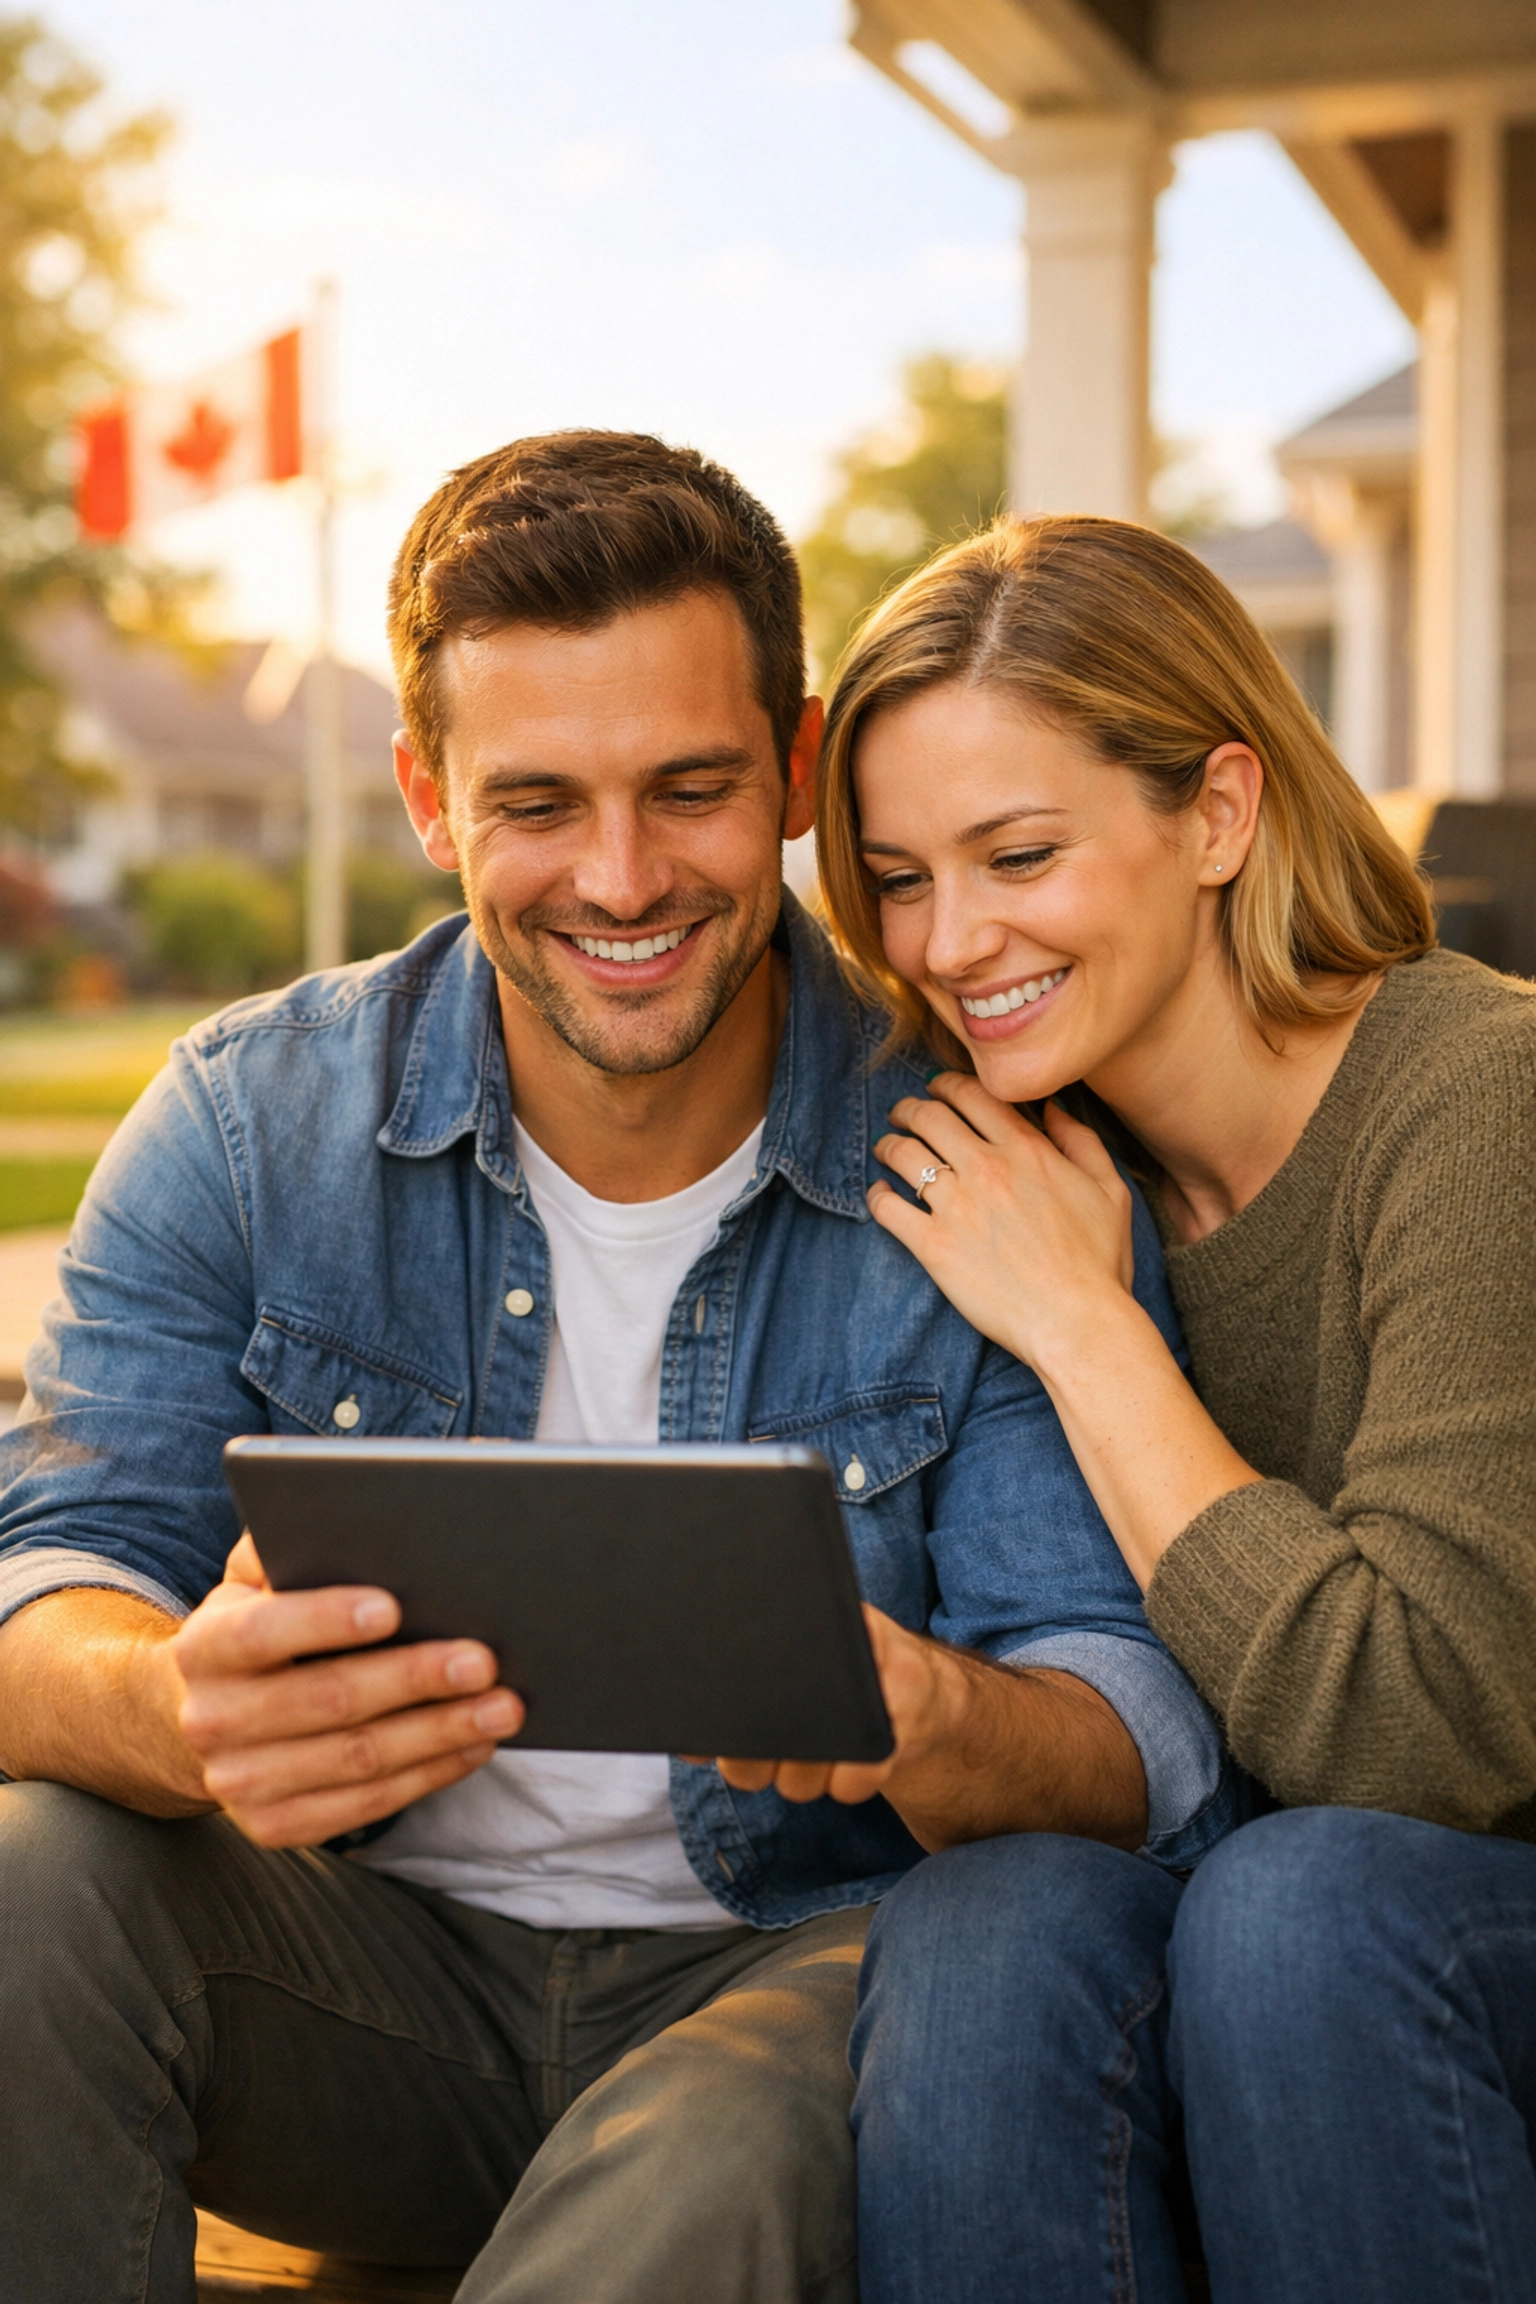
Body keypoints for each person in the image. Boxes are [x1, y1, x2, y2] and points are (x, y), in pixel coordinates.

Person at [0, 444, 1239, 2304]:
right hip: (363, 1974)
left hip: (789, 1981)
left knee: (698, 2181)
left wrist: (923, 1712)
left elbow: (1129, 1721)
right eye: (538, 802)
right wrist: (176, 1704)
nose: (623, 877)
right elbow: (46, 1584)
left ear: (801, 768)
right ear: (428, 795)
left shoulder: (990, 1164)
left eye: (690, 789)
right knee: (25, 1879)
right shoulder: (253, 1122)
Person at [812, 510, 1536, 2304]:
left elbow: (1422, 1738)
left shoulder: (1480, 1108)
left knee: (1304, 1912)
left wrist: (1088, 1330)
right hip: (1249, 1902)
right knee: (985, 1924)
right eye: (899, 877)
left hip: (1459, 1905)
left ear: (1216, 814)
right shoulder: (1020, 1157)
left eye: (1018, 853)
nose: (952, 940)